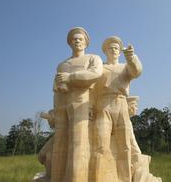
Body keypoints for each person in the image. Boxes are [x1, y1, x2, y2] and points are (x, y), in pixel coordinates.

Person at [51, 27, 103, 182]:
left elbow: (95, 74)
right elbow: (56, 87)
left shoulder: (93, 58)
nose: (77, 41)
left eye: (80, 39)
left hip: (81, 100)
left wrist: (70, 77)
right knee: (59, 145)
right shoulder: (62, 65)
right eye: (74, 39)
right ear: (69, 43)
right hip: (62, 104)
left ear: (86, 42)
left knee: (78, 143)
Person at [94, 36, 143, 182]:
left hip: (121, 104)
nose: (114, 50)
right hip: (103, 105)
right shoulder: (100, 68)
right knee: (100, 145)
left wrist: (132, 57)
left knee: (125, 146)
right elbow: (90, 89)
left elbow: (137, 71)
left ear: (120, 52)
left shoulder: (125, 67)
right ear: (105, 51)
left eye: (116, 48)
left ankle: (124, 179)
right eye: (110, 48)